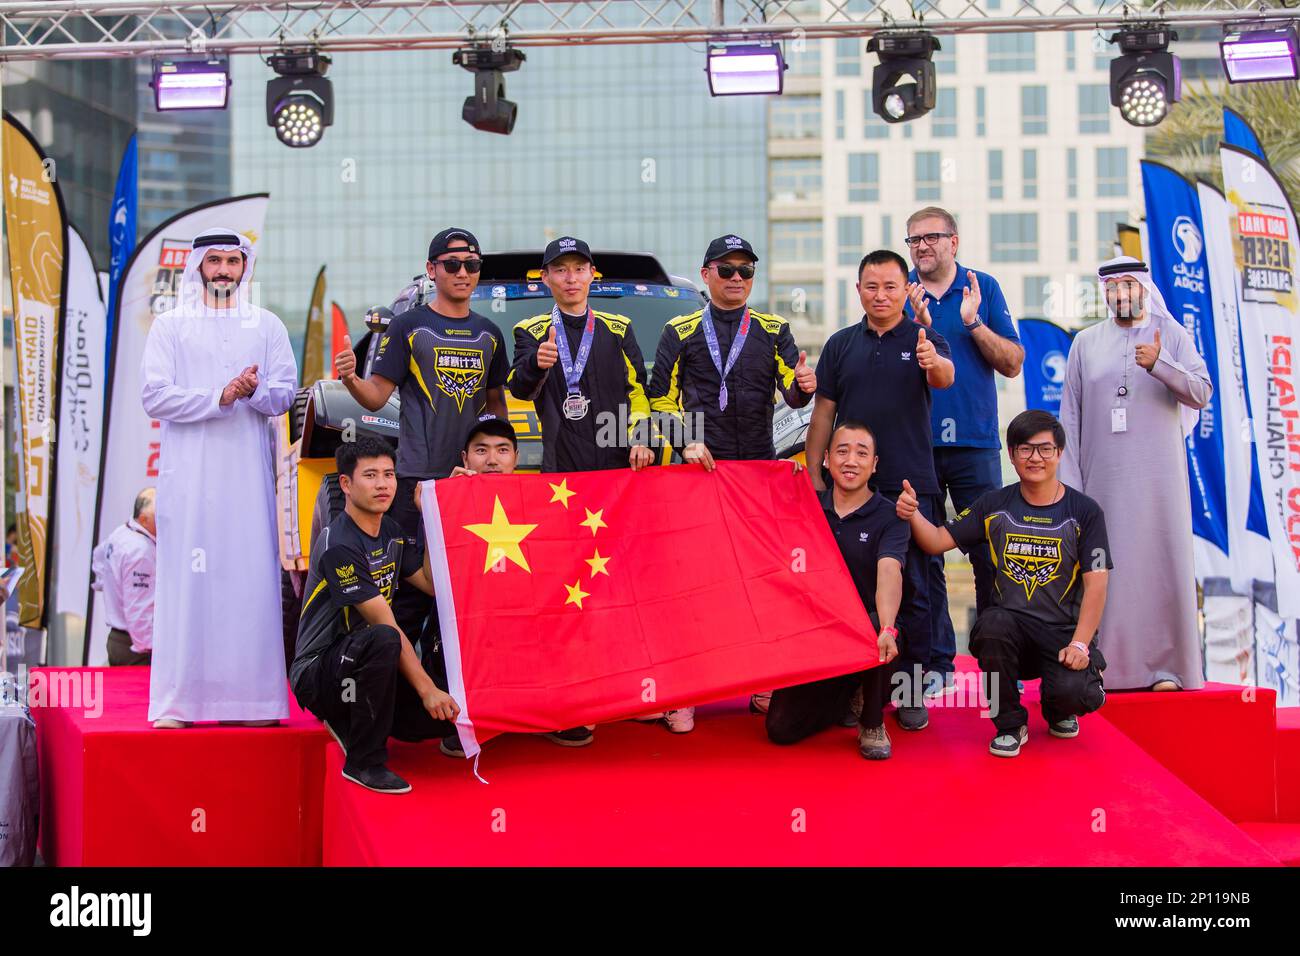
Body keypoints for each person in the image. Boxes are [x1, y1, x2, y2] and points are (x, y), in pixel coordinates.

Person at [647, 233, 817, 729]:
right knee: (698, 581)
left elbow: (793, 389)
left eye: (746, 271)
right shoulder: (678, 330)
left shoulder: (772, 327)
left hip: (758, 474)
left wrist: (803, 389)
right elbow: (659, 400)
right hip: (699, 474)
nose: (738, 279)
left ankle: (762, 681)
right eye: (727, 270)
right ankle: (688, 689)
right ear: (706, 275)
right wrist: (685, 441)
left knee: (761, 579)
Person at [333, 228, 509, 684]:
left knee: (475, 596)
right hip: (418, 484)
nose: (463, 273)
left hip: (471, 489)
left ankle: (469, 696)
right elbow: (374, 399)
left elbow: (497, 412)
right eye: (452, 264)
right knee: (411, 599)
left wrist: (496, 465)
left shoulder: (490, 334)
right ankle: (398, 703)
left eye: (471, 265)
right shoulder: (407, 326)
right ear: (432, 270)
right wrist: (351, 379)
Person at [141, 226, 297, 728]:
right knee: (188, 586)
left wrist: (249, 393)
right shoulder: (170, 326)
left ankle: (254, 702)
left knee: (249, 584)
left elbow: (285, 395)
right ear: (199, 267)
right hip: (189, 483)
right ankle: (179, 703)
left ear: (244, 268)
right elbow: (155, 397)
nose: (225, 271)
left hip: (248, 485)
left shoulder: (267, 325)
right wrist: (219, 397)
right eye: (216, 262)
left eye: (234, 262)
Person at [897, 410, 1111, 756]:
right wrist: (912, 514)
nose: (1035, 458)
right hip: (1011, 630)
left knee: (1075, 693)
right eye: (1025, 449)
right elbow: (936, 541)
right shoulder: (994, 504)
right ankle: (1010, 724)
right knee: (991, 627)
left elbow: (1098, 585)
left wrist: (1081, 645)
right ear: (1011, 455)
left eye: (1044, 449)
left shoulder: (1085, 512)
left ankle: (1060, 708)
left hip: (1062, 635)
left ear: (1059, 453)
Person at [804, 249, 954, 732]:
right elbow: (823, 411)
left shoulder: (924, 337)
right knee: (847, 586)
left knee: (917, 590)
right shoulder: (841, 344)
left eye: (891, 286)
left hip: (912, 482)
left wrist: (932, 359)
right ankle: (852, 688)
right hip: (849, 483)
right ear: (859, 290)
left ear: (905, 289)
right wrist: (813, 472)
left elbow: (945, 377)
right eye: (872, 286)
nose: (881, 295)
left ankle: (912, 689)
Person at [1060, 256, 1212, 691]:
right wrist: (1071, 489)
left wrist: (1161, 363)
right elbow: (1070, 419)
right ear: (1105, 293)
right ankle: (1107, 665)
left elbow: (1201, 392)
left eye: (1129, 284)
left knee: (1161, 563)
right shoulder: (1086, 343)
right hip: (1102, 477)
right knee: (1107, 567)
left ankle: (1166, 667)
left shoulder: (1173, 335)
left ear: (1144, 288)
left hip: (1159, 479)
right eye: (1113, 287)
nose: (1121, 293)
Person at [291, 436, 459, 794]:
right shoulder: (339, 544)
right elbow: (383, 623)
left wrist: (428, 519)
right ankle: (363, 761)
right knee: (384, 636)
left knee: (437, 725)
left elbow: (430, 584)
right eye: (371, 475)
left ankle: (356, 717)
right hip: (319, 669)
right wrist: (427, 689)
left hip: (367, 660)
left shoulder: (391, 533)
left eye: (389, 474)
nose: (383, 484)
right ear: (347, 485)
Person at [904, 207, 1023, 696]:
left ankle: (999, 663)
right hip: (918, 445)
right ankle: (937, 664)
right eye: (913, 240)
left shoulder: (982, 287)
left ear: (954, 241)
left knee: (988, 554)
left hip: (975, 444)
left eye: (931, 237)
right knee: (924, 558)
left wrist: (973, 324)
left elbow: (1013, 363)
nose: (922, 247)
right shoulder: (899, 290)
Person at [435, 416, 597, 751]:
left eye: (502, 450)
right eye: (481, 450)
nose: (492, 459)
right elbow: (429, 580)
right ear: (465, 459)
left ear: (517, 458)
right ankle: (473, 718)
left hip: (531, 610)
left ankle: (555, 713)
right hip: (473, 617)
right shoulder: (444, 499)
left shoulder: (541, 497)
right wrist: (440, 507)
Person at [766, 422, 906, 759]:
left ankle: (871, 721)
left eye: (862, 453)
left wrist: (888, 625)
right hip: (818, 636)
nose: (851, 460)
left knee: (876, 626)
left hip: (871, 634)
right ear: (826, 459)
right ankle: (848, 693)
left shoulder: (891, 515)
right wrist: (773, 475)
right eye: (842, 451)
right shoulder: (806, 505)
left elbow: (890, 570)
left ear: (874, 465)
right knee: (781, 730)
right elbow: (759, 518)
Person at [508, 236, 655, 472]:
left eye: (579, 269)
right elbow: (519, 389)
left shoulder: (618, 328)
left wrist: (641, 437)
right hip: (561, 474)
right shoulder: (531, 331)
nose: (571, 278)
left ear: (592, 274)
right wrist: (535, 365)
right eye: (560, 270)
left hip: (618, 468)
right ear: (545, 277)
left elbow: (636, 392)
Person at [91, 488, 157, 666]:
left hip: (119, 639)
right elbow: (138, 609)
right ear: (144, 519)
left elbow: (97, 560)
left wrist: (110, 586)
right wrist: (150, 648)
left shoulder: (121, 533)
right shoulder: (140, 551)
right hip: (136, 647)